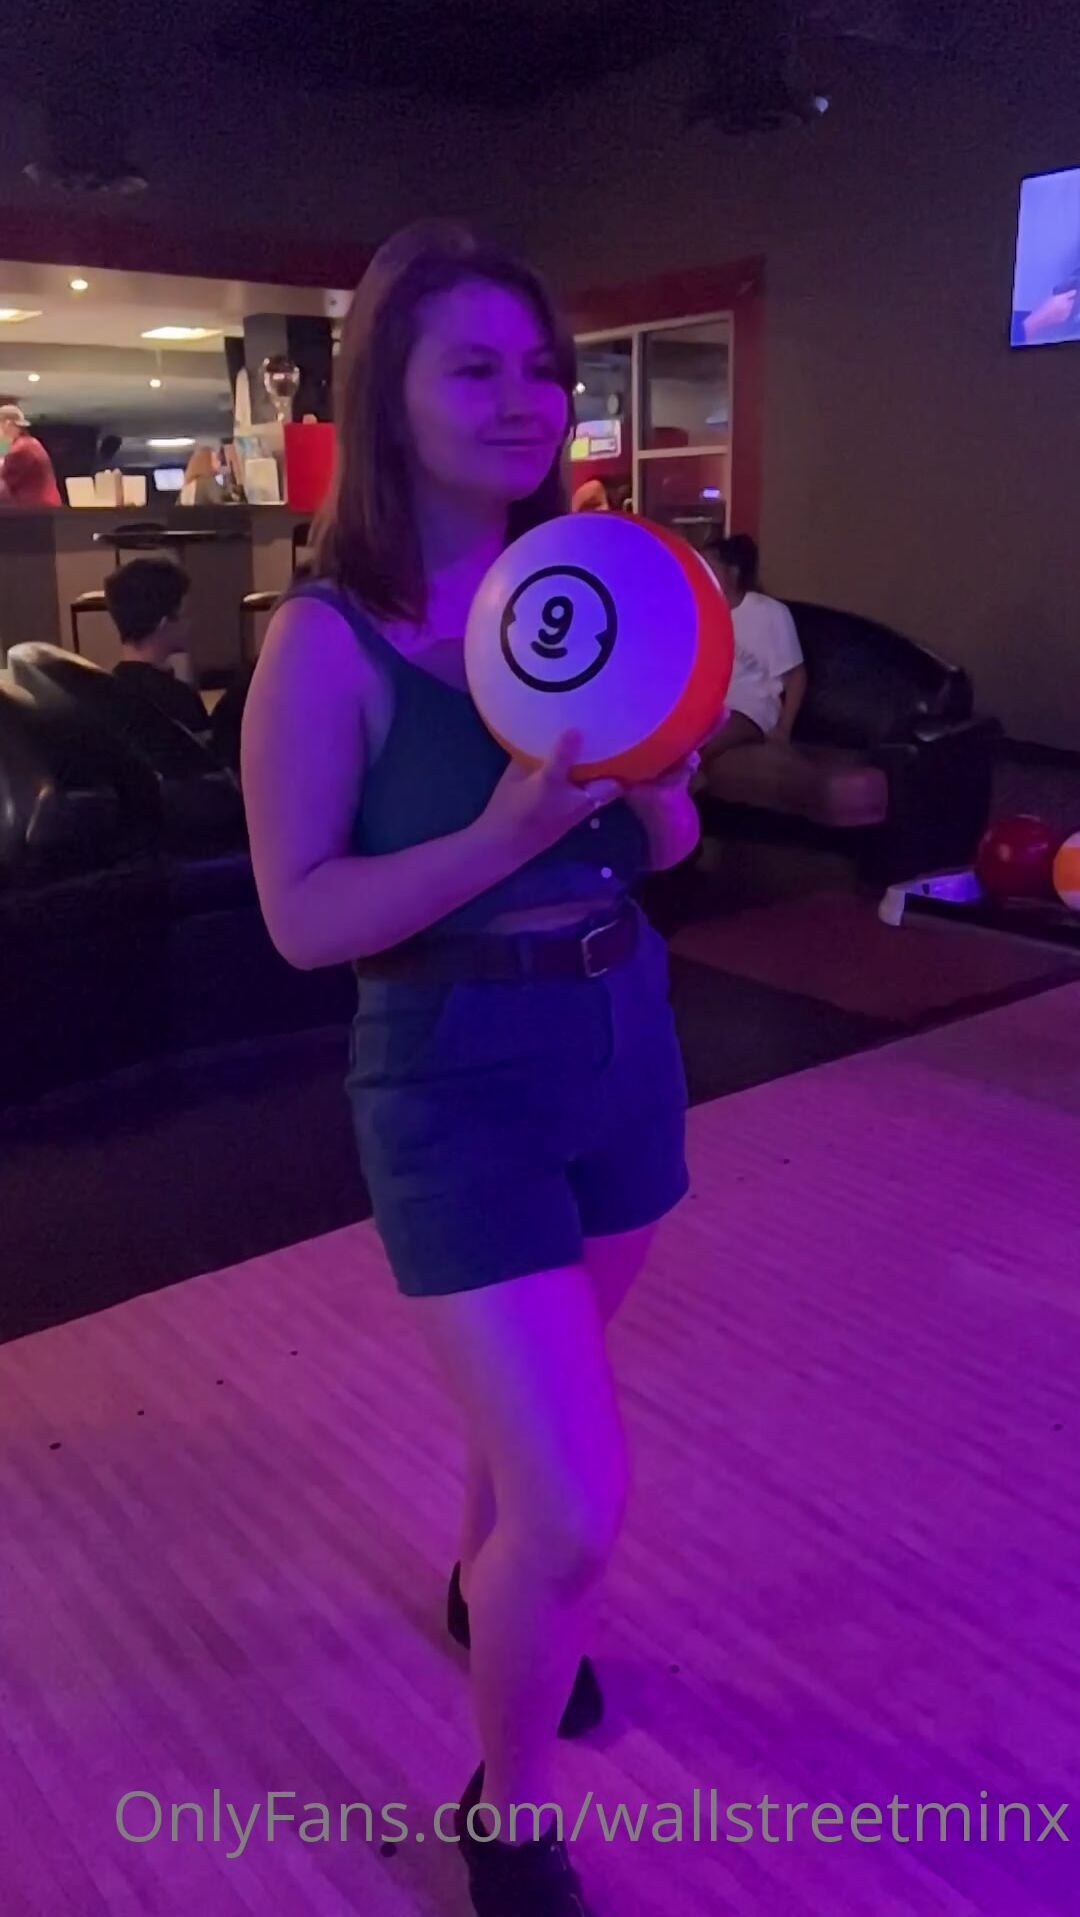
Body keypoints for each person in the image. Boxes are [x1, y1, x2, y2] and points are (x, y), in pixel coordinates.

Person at [241, 221, 699, 1917]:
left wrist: (658, 788)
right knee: (573, 1511)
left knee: (534, 1431)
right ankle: (509, 1814)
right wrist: (507, 832)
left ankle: (473, 1578)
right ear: (391, 393)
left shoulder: (588, 589)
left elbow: (663, 844)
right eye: (477, 367)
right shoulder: (326, 643)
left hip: (621, 1038)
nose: (526, 399)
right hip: (448, 1078)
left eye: (542, 368)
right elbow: (302, 917)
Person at [700, 531, 807, 756]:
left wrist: (784, 729)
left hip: (752, 709)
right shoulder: (701, 611)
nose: (702, 573)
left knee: (701, 747)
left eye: (709, 566)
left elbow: (796, 676)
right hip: (708, 705)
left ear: (733, 572)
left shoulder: (770, 613)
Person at [106, 557, 211, 740]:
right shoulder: (180, 699)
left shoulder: (107, 693)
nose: (190, 623)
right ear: (163, 623)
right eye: (185, 614)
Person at [0, 403, 62, 507]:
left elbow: (3, 486)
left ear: (7, 424)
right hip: (42, 508)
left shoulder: (21, 450)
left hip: (35, 510)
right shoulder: (30, 444)